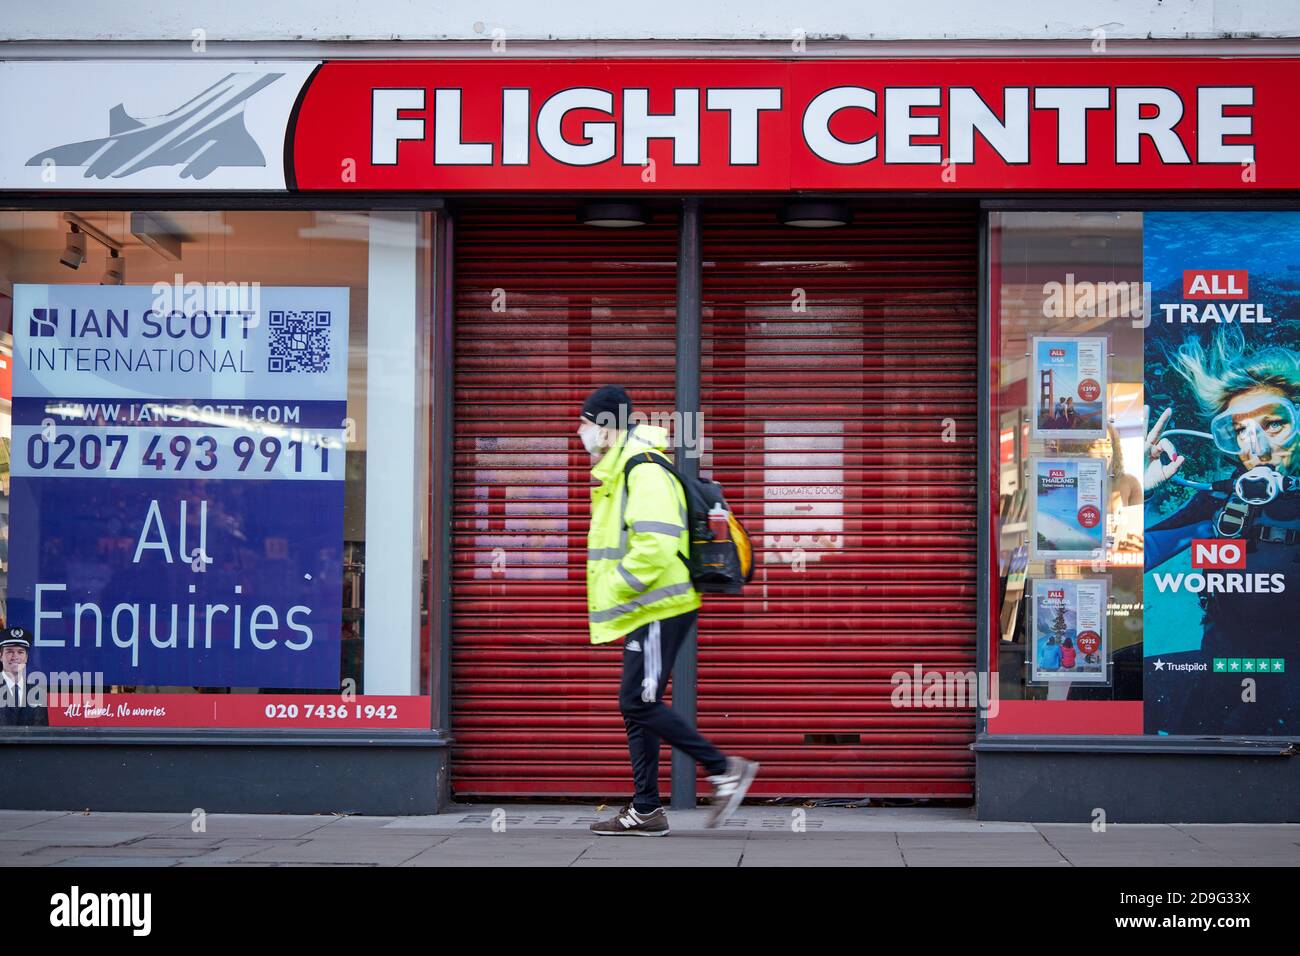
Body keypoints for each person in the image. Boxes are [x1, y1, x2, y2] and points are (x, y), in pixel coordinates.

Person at [578, 385, 758, 836]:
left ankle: (724, 771)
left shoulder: (643, 470)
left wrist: (618, 587)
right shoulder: (622, 470)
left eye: (584, 422)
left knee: (638, 702)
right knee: (638, 704)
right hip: (646, 606)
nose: (580, 432)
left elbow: (656, 546)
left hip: (659, 604)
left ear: (605, 427)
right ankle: (646, 809)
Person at [1144, 327, 1300, 733]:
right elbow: (1124, 564)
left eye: (1273, 425)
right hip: (1222, 678)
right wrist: (1128, 495)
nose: (1258, 449)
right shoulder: (1218, 505)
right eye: (1239, 432)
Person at [0, 627, 49, 727]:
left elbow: (43, 735)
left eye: (20, 652)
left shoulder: (37, 694)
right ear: (1, 656)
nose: (15, 657)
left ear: (26, 657)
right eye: (9, 651)